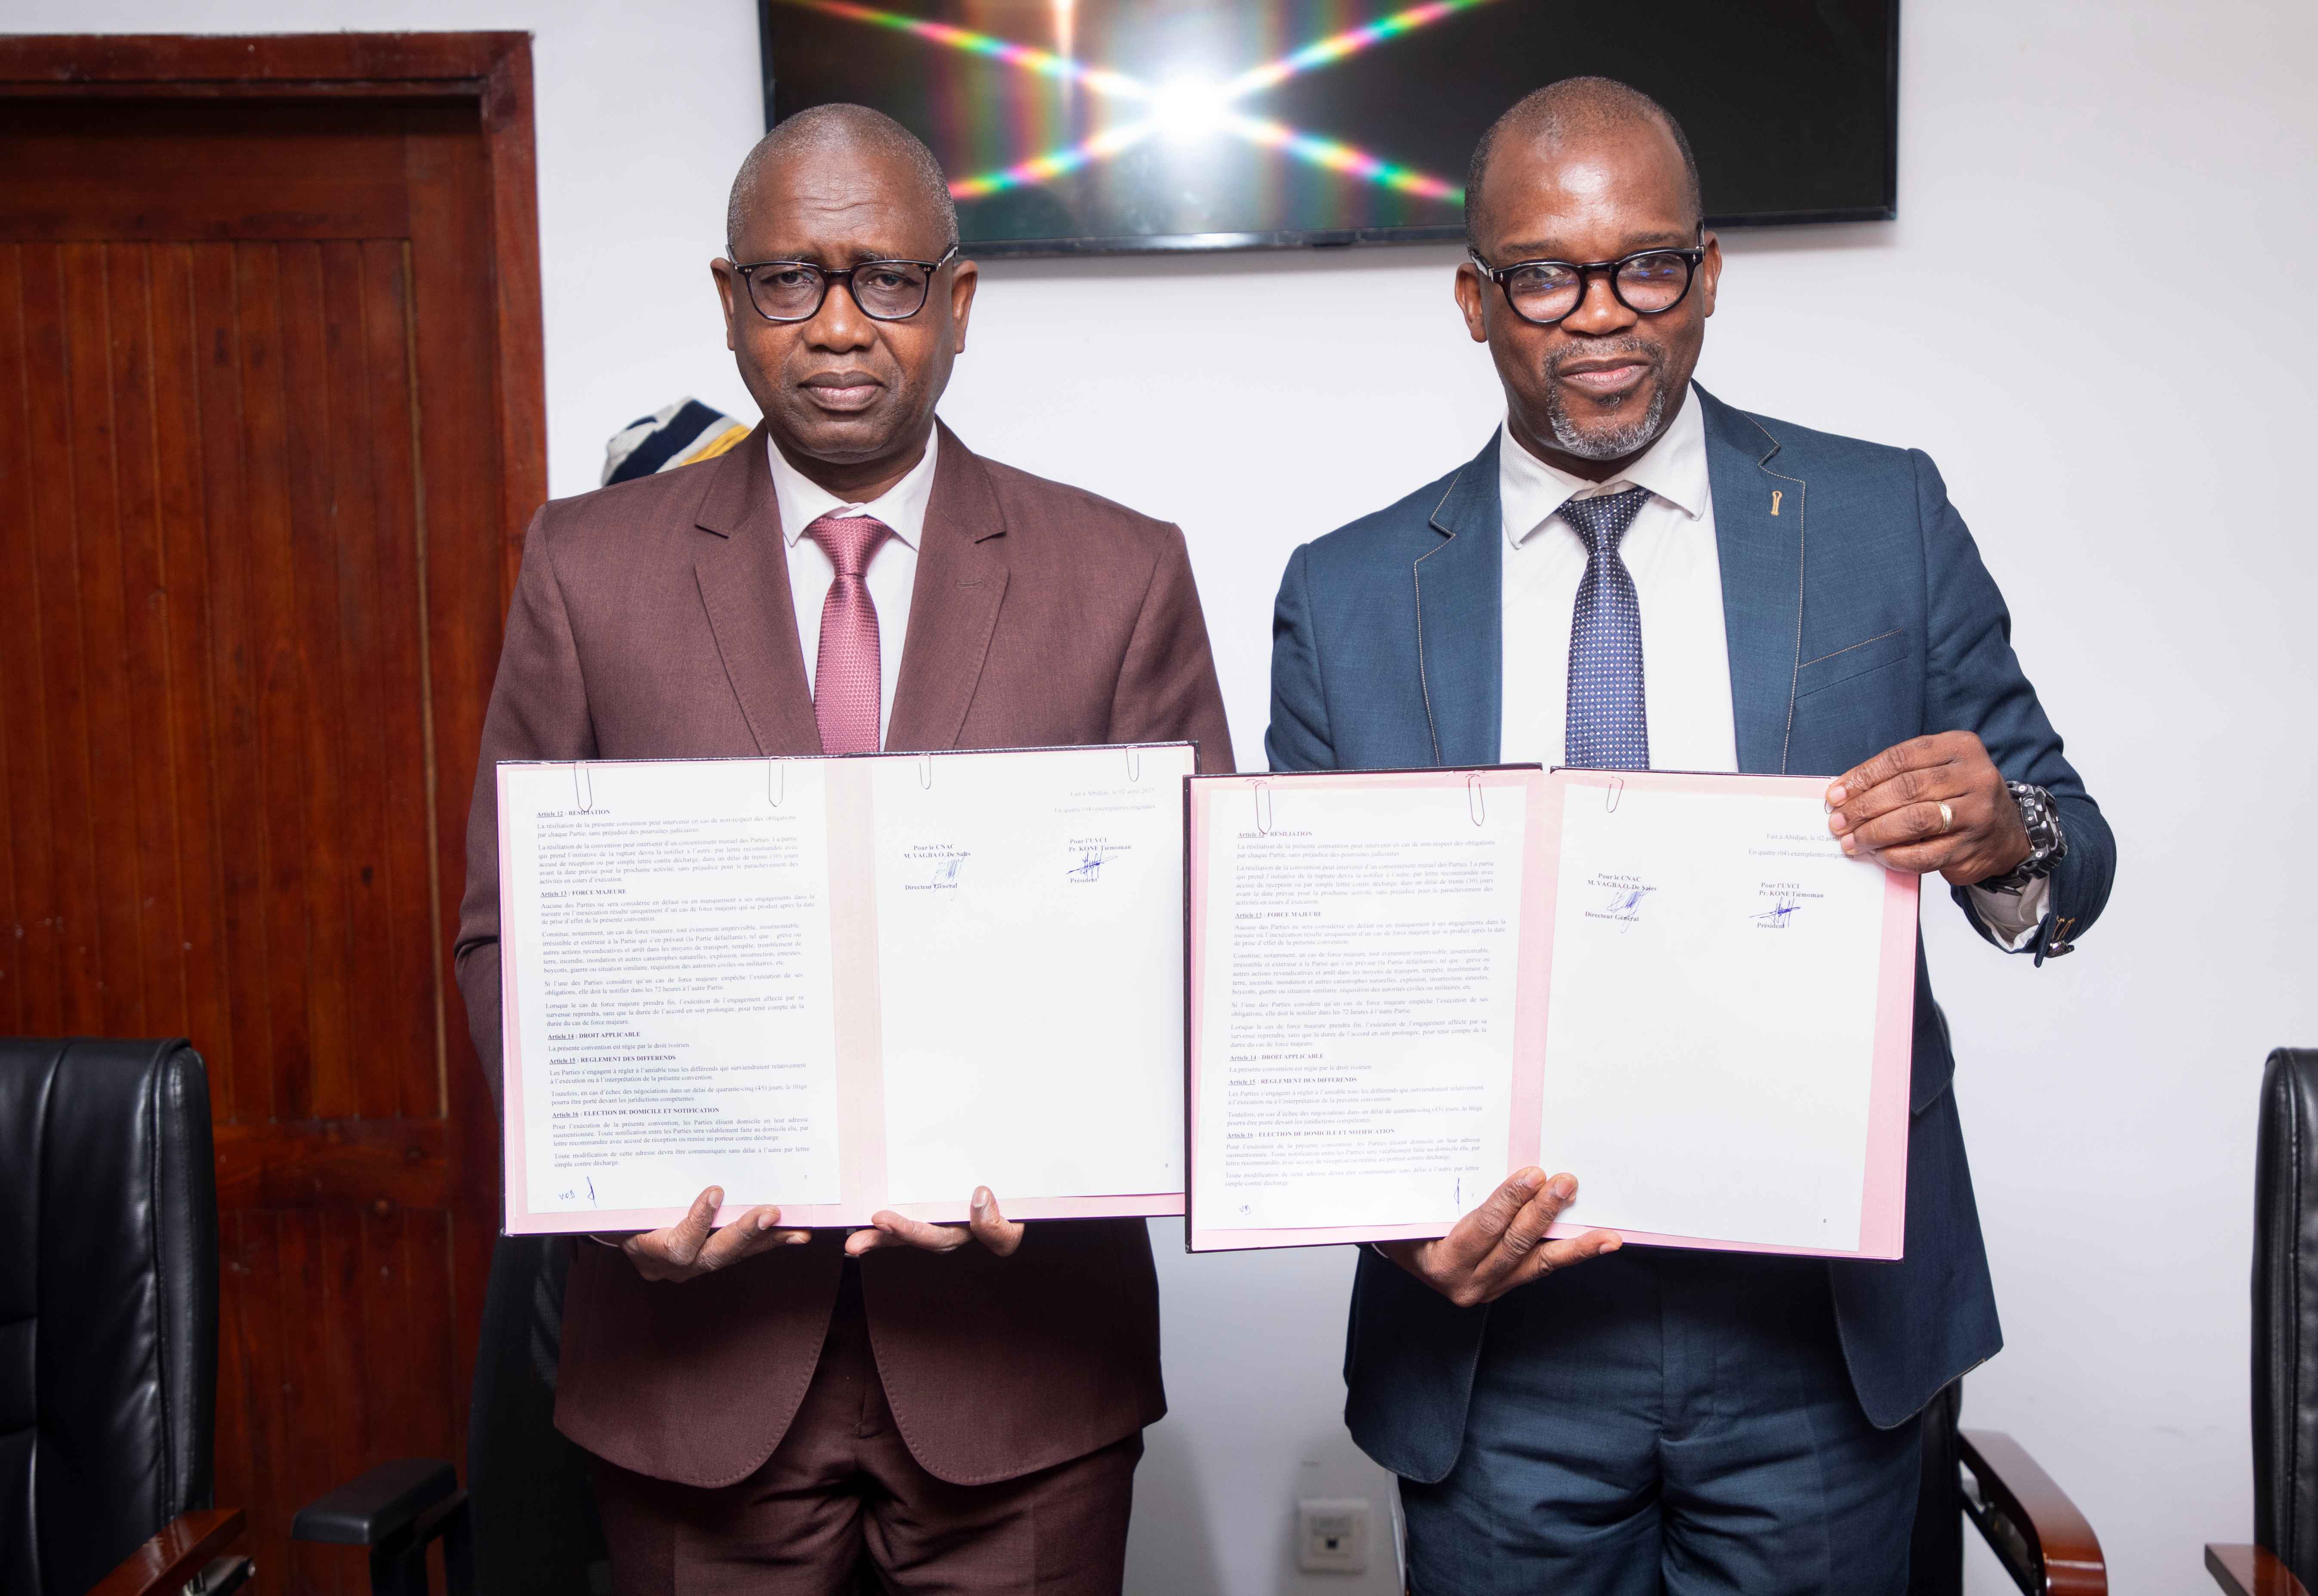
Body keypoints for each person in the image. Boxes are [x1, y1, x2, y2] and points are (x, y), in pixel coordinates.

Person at [1265, 77, 2114, 1593]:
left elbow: (2070, 847)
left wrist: (2005, 837)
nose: (1605, 315)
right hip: (1495, 1350)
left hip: (1816, 1338)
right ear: (1475, 301)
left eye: (1647, 263)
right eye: (1544, 274)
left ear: (1707, 275)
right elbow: (1313, 988)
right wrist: (1396, 1230)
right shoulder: (1345, 595)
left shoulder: (1880, 519)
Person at [454, 104, 1233, 1593]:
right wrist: (611, 1206)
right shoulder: (584, 566)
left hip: (1022, 1373)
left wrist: (1072, 1157)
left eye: (882, 278)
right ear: (729, 305)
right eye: (787, 280)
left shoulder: (1121, 574)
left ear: (955, 305)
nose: (835, 327)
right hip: (694, 1374)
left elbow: (1196, 939)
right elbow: (508, 940)